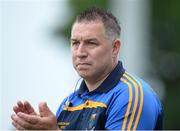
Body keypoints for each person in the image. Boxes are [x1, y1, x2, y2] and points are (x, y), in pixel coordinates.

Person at [11, 7, 163, 130]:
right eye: (75, 43)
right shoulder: (69, 102)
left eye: (91, 43)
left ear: (115, 48)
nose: (80, 52)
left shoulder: (131, 95)